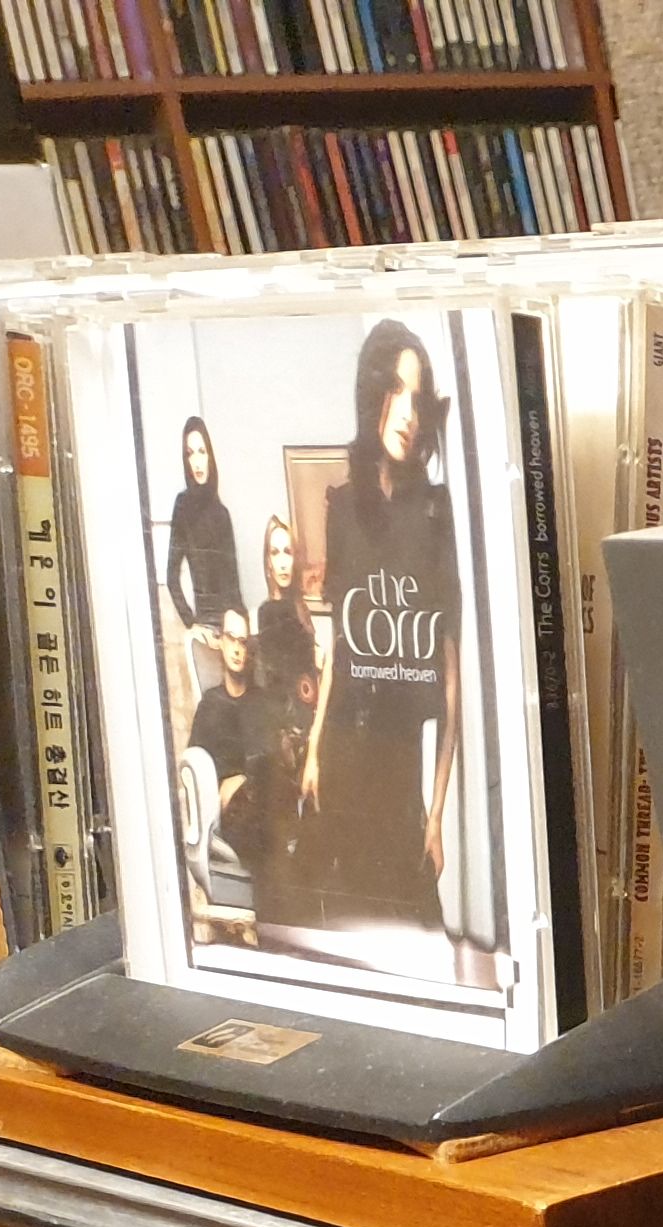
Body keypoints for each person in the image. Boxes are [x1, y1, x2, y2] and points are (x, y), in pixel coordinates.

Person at [296, 323, 461, 932]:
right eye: (395, 390)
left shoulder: (435, 513)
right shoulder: (343, 507)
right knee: (343, 921)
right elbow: (338, 650)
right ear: (372, 395)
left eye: (418, 397)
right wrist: (314, 751)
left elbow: (451, 683)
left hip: (398, 773)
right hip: (341, 755)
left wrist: (436, 816)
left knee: (412, 925)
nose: (408, 413)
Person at [185, 610, 282, 884]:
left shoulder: (262, 702)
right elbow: (195, 759)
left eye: (243, 642)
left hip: (266, 796)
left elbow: (272, 759)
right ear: (221, 642)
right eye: (231, 639)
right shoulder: (211, 705)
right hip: (235, 812)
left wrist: (243, 778)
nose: (238, 649)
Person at [162, 418, 241, 630]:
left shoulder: (222, 514)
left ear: (209, 456)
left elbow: (234, 585)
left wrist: (241, 625)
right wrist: (191, 622)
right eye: (190, 453)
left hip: (230, 626)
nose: (197, 462)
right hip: (205, 624)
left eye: (201, 451)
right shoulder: (183, 506)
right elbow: (171, 576)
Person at [252, 515, 315, 732]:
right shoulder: (268, 612)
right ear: (268, 562)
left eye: (288, 552)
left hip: (309, 716)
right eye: (275, 552)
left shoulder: (300, 607)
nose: (282, 562)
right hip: (289, 727)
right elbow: (275, 687)